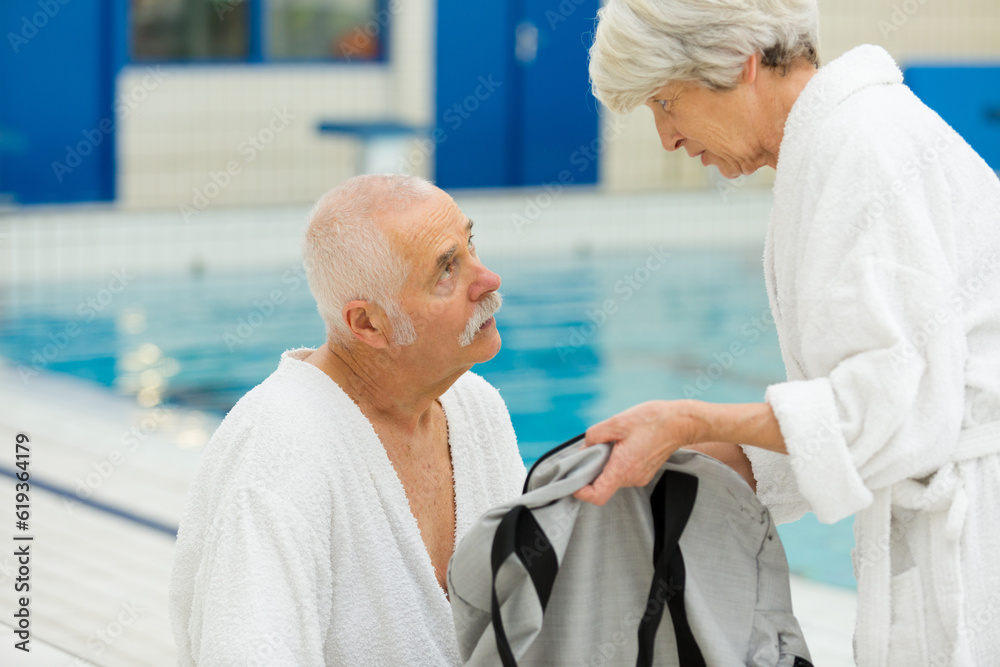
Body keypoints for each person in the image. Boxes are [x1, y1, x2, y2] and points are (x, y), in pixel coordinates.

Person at [584, 1, 1000, 665]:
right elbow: (853, 417)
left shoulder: (861, 148)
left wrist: (689, 418)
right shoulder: (834, 147)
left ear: (737, 62)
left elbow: (891, 415)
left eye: (665, 102)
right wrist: (696, 458)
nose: (666, 138)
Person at [169, 174, 527, 666]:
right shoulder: (280, 455)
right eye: (447, 270)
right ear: (368, 324)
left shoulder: (476, 408)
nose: (488, 280)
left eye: (471, 245)